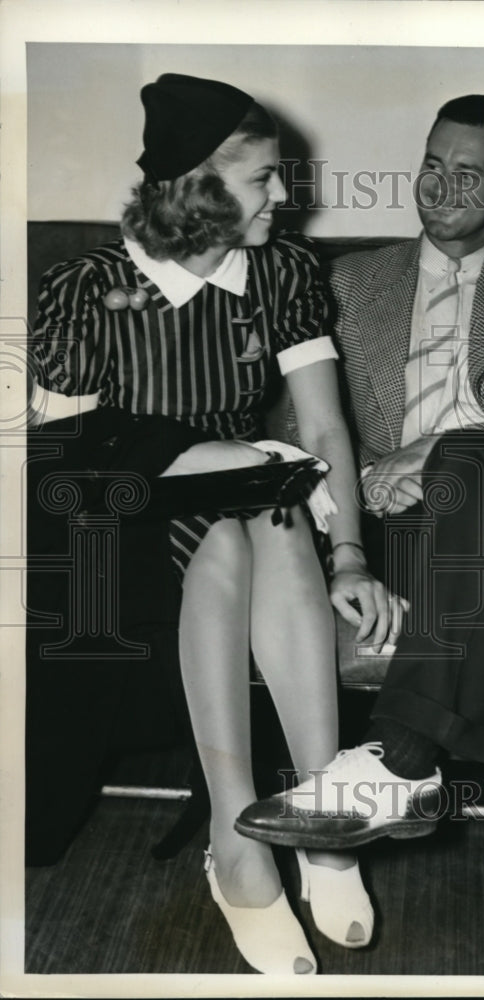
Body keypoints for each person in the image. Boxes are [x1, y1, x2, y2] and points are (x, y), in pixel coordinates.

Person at [235, 95, 484, 977]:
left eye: (468, 173)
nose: (441, 187)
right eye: (432, 164)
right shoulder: (350, 283)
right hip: (402, 519)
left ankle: (403, 756)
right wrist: (341, 523)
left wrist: (442, 445)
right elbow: (299, 425)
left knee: (474, 468)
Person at [28, 73, 405, 975]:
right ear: (196, 186)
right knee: (244, 512)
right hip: (111, 521)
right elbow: (70, 457)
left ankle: (319, 824)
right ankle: (242, 849)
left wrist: (350, 552)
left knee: (263, 520)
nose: (285, 196)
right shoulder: (87, 285)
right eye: (264, 178)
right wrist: (224, 462)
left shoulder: (282, 272)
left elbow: (322, 430)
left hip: (248, 506)